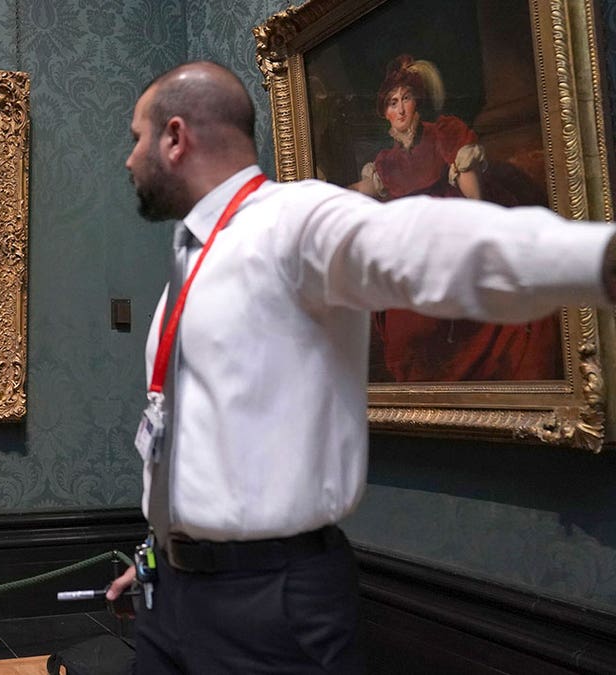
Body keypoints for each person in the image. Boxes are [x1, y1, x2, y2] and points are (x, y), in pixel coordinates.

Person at [106, 60, 616, 673]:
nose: (128, 158)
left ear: (175, 137)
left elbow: (424, 244)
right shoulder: (189, 262)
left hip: (271, 607)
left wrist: (597, 257)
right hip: (171, 593)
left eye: (137, 137)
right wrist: (163, 553)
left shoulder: (294, 220)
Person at [351, 54, 559, 382]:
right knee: (402, 322)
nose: (401, 109)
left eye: (406, 99)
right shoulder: (386, 161)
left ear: (418, 103)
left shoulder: (444, 133)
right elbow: (364, 189)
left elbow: (472, 194)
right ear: (386, 114)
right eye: (393, 103)